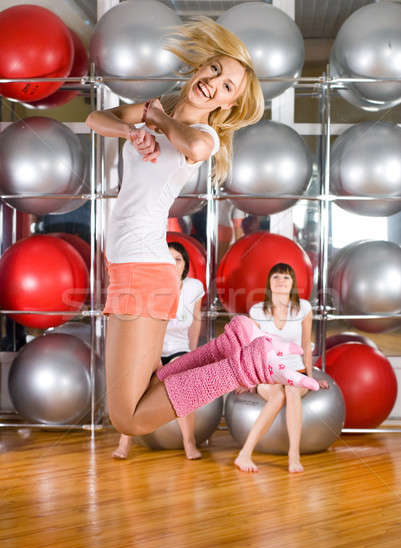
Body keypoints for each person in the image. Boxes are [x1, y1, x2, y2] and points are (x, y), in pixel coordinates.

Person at [86, 17, 318, 439]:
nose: (215, 83)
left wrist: (157, 120)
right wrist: (131, 129)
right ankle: (226, 351)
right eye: (215, 70)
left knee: (128, 418)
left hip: (143, 269)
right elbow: (94, 118)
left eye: (227, 86)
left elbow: (191, 147)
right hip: (127, 267)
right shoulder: (154, 110)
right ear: (199, 67)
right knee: (145, 392)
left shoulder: (205, 133)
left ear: (227, 105)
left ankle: (242, 366)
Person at [112, 242, 204, 460]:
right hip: (149, 350)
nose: (173, 263)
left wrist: (193, 352)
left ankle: (189, 443)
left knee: (179, 381)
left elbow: (196, 321)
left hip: (179, 349)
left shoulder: (194, 287)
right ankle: (124, 442)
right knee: (136, 386)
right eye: (168, 259)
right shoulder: (150, 287)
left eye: (178, 259)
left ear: (185, 264)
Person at [234, 263, 328, 474]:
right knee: (277, 397)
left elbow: (305, 344)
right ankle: (244, 454)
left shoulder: (303, 308)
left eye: (286, 278)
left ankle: (293, 454)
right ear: (269, 282)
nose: (281, 282)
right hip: (269, 371)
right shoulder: (257, 311)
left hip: (296, 371)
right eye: (276, 277)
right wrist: (248, 379)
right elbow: (252, 348)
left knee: (293, 390)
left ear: (293, 283)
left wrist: (311, 378)